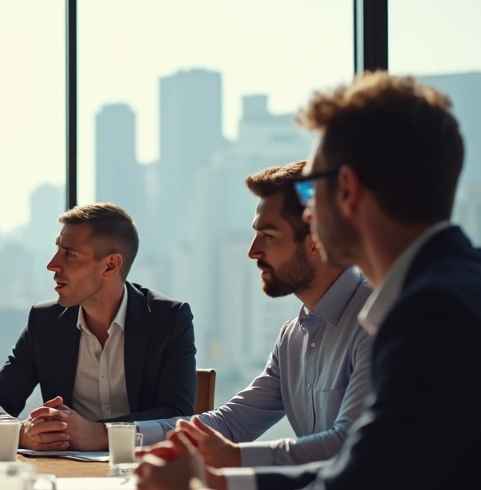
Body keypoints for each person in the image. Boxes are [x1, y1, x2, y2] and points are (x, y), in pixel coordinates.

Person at [135, 71, 481, 490]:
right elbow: (358, 481)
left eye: (314, 186)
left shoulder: (436, 314)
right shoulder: (452, 287)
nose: (309, 207)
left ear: (346, 191)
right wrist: (219, 484)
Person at [135, 161, 373, 467]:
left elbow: (351, 446)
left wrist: (236, 458)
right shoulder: (293, 336)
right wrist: (106, 435)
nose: (253, 251)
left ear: (317, 242)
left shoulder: (376, 321)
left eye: (269, 236)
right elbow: (231, 423)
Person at [0, 203, 196, 450]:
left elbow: (178, 416)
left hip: (143, 475)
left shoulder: (169, 319)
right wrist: (19, 433)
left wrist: (98, 433)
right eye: (57, 250)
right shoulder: (45, 322)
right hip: (66, 476)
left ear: (110, 265)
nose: (52, 265)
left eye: (69, 254)